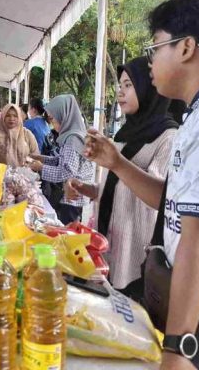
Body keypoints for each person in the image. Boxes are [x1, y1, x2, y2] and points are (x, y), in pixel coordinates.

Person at [84, 0, 199, 370]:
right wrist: (118, 164)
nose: (151, 60)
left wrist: (177, 348)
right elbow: (174, 202)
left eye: (157, 46)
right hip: (198, 320)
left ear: (186, 48)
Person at [65, 56, 179, 300]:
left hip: (135, 257)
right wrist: (85, 188)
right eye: (120, 85)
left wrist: (116, 162)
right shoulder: (124, 133)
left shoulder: (168, 137)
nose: (120, 92)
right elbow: (115, 188)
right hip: (106, 247)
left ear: (149, 89)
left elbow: (160, 197)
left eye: (129, 85)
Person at [29, 94, 94, 225]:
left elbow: (66, 172)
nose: (52, 124)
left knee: (67, 232)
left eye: (53, 120)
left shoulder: (72, 139)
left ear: (64, 117)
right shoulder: (73, 135)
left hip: (72, 199)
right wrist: (41, 158)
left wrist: (41, 168)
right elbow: (61, 160)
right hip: (73, 196)